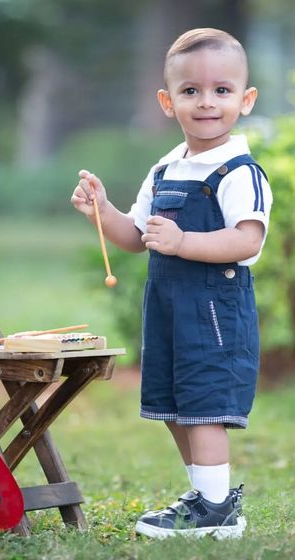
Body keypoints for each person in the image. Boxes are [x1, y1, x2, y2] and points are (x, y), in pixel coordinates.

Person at [71, 27, 272, 539]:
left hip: (213, 310)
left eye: (222, 91)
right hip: (166, 308)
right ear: (168, 101)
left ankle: (217, 508)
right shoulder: (165, 168)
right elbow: (137, 237)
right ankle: (207, 498)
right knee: (173, 403)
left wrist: (183, 242)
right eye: (191, 91)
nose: (207, 103)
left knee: (204, 405)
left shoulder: (238, 171)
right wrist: (103, 210)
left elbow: (245, 240)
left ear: (245, 100)